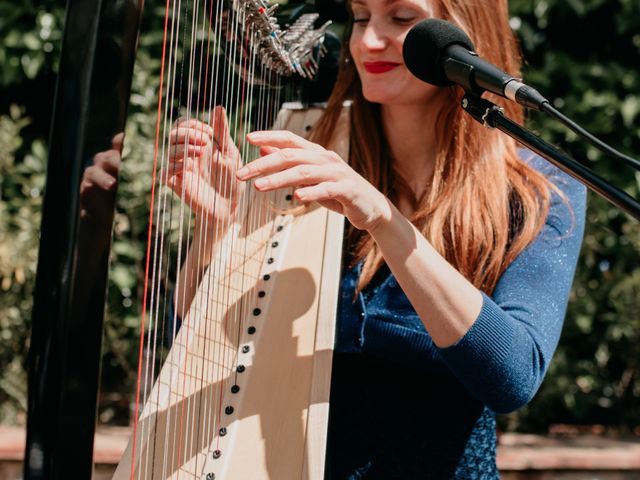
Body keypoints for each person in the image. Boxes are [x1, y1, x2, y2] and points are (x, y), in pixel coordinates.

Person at [164, 0, 586, 477]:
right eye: (361, 17)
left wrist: (385, 222)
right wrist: (218, 230)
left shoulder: (539, 193)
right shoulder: (314, 162)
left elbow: (513, 377)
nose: (367, 41)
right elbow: (197, 348)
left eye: (402, 19)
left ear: (465, 36)